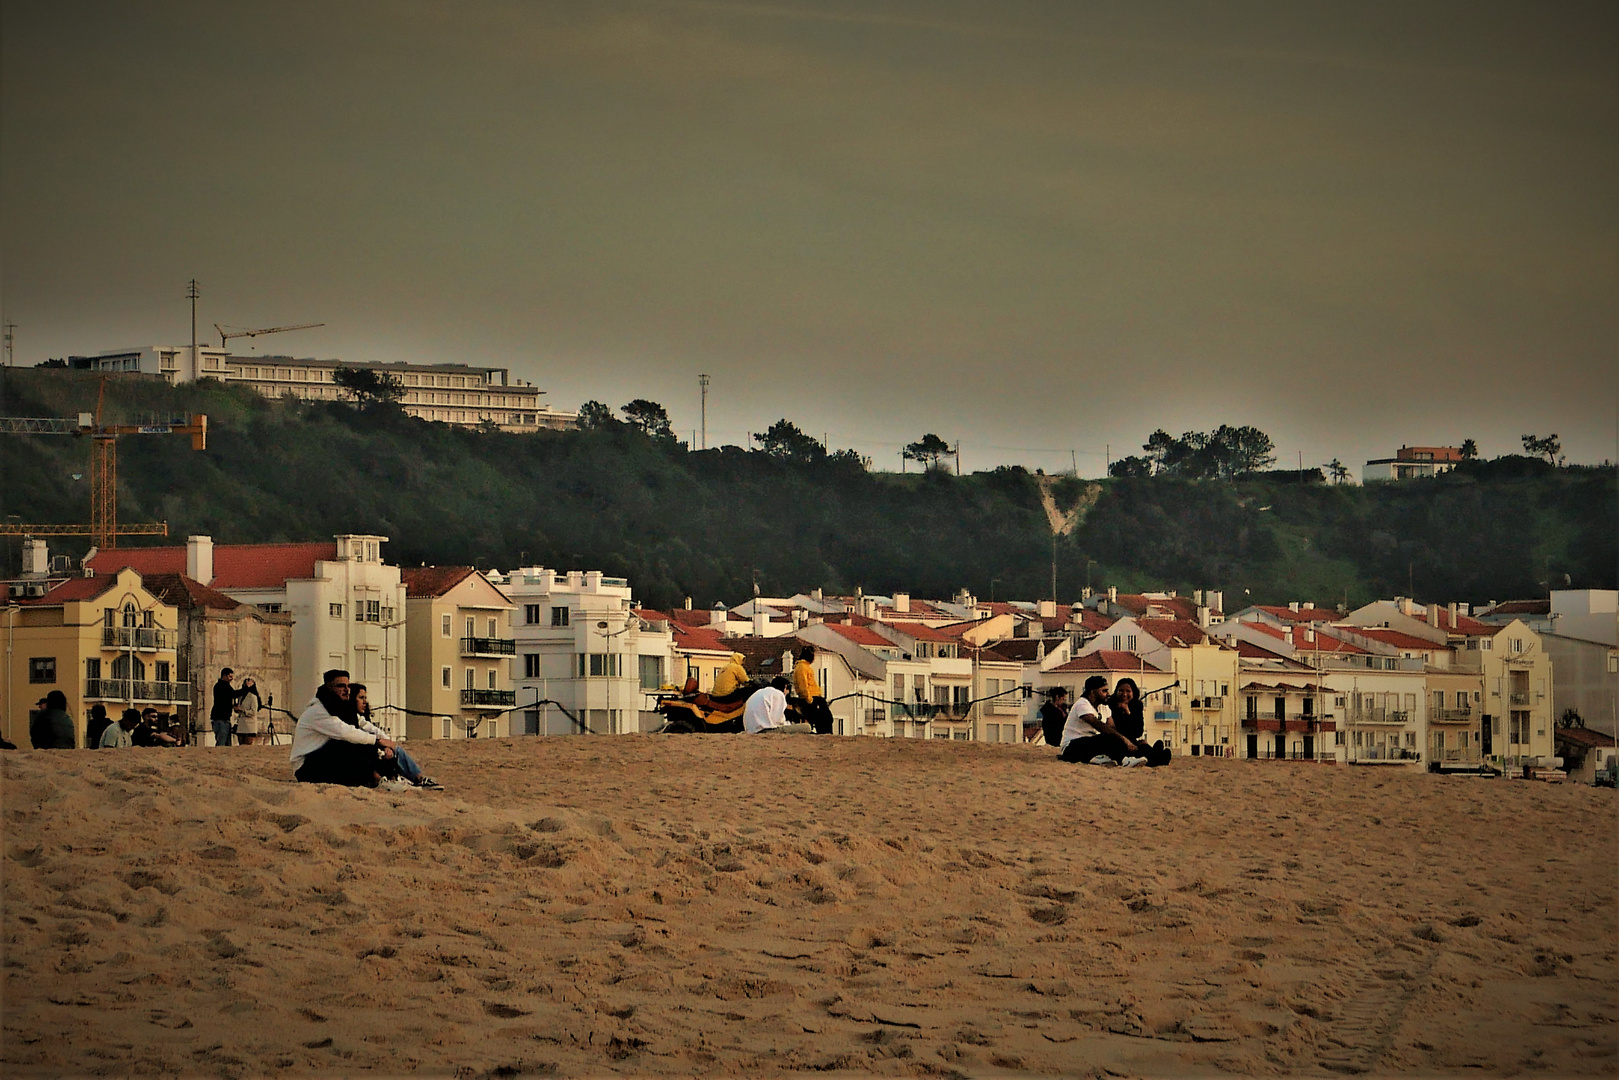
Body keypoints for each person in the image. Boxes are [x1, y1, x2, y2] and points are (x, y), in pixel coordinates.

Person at [290, 668, 401, 787]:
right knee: (349, 742)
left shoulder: (338, 706)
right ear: (329, 687)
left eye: (348, 686)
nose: (346, 690)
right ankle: (377, 778)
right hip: (306, 767)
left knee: (362, 743)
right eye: (341, 686)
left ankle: (391, 777)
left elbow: (364, 724)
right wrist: (377, 741)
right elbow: (344, 732)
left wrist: (385, 741)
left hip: (323, 759)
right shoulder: (319, 710)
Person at [351, 683, 441, 789]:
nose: (365, 701)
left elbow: (375, 730)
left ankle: (418, 778)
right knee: (383, 752)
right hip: (360, 756)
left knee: (394, 750)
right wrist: (380, 744)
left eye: (365, 698)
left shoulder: (362, 718)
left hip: (373, 750)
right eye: (361, 698)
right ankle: (412, 779)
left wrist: (387, 746)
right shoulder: (351, 718)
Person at [1059, 676, 1146, 767]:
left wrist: (1128, 741)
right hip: (1072, 747)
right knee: (1108, 736)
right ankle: (1124, 761)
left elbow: (1113, 728)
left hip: (1091, 745)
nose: (1108, 694)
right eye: (1104, 691)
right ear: (1093, 692)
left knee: (1117, 738)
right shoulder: (1082, 704)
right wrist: (1124, 740)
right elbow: (1099, 726)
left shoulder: (1103, 706)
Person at [1107, 678, 1170, 767]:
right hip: (1117, 741)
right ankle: (1157, 756)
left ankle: (1157, 754)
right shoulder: (1109, 705)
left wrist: (1127, 712)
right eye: (1121, 690)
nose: (1124, 694)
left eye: (1128, 691)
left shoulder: (1136, 705)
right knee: (1143, 752)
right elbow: (1113, 729)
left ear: (1133, 692)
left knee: (1145, 748)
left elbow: (1138, 731)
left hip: (1132, 740)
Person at [743, 676, 811, 734]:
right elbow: (777, 721)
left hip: (751, 730)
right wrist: (788, 724)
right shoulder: (778, 694)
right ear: (785, 687)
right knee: (807, 727)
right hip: (764, 730)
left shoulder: (762, 692)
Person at [791, 645, 834, 734]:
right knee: (824, 718)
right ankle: (825, 735)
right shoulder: (802, 667)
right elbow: (803, 685)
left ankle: (826, 734)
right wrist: (810, 700)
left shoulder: (805, 667)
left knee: (827, 718)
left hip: (815, 698)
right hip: (812, 699)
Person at [211, 668, 238, 747]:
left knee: (226, 743)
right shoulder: (222, 686)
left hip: (223, 719)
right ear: (224, 676)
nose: (231, 679)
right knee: (222, 743)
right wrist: (247, 688)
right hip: (221, 720)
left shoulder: (221, 686)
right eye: (230, 676)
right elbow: (234, 694)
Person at [234, 677, 263, 745]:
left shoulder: (253, 697)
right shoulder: (241, 697)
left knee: (248, 744)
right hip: (241, 724)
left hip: (249, 725)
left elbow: (253, 712)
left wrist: (243, 710)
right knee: (241, 744)